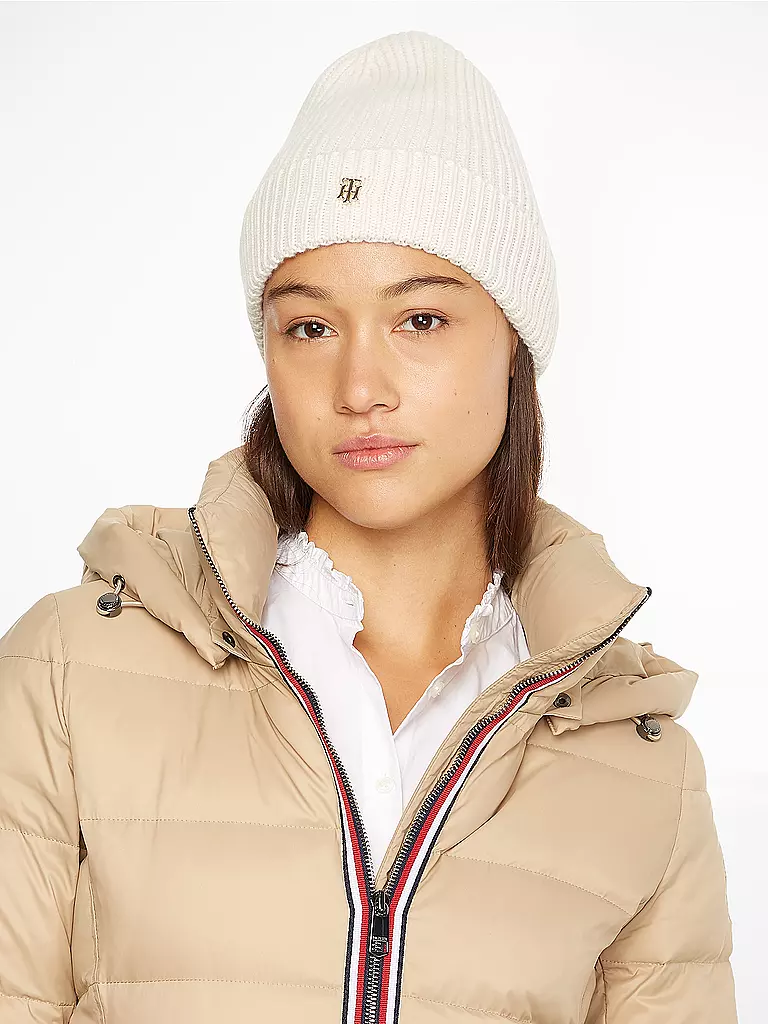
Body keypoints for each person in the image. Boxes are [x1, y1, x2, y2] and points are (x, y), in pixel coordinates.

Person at [0, 29, 736, 1024]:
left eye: (420, 319)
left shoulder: (640, 765)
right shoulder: (69, 671)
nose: (359, 386)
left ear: (513, 344)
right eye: (310, 326)